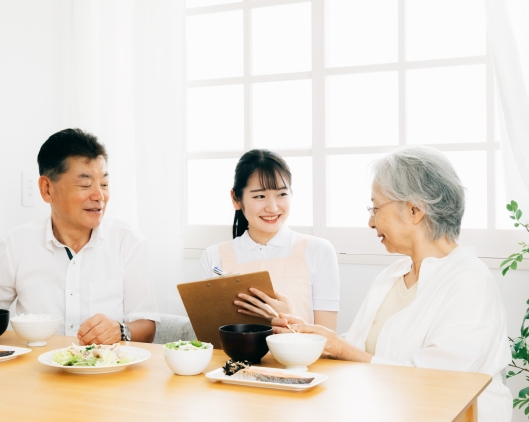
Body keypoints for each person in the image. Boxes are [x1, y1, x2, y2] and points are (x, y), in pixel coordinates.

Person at [272, 145, 511, 421]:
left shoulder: (470, 281)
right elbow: (357, 347)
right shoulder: (393, 274)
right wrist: (304, 335)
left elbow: (440, 382)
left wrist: (339, 347)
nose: (370, 222)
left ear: (414, 211)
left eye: (375, 207)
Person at [0, 128, 159, 345]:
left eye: (104, 184)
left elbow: (146, 325)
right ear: (47, 188)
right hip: (36, 374)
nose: (99, 196)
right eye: (85, 185)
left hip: (106, 374)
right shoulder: (17, 243)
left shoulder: (128, 241)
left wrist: (119, 331)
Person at [200, 149, 339, 330]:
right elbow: (210, 336)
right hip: (233, 358)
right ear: (236, 199)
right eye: (259, 196)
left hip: (300, 359)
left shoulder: (318, 251)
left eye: (281, 194)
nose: (273, 208)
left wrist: (287, 316)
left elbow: (327, 343)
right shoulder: (214, 257)